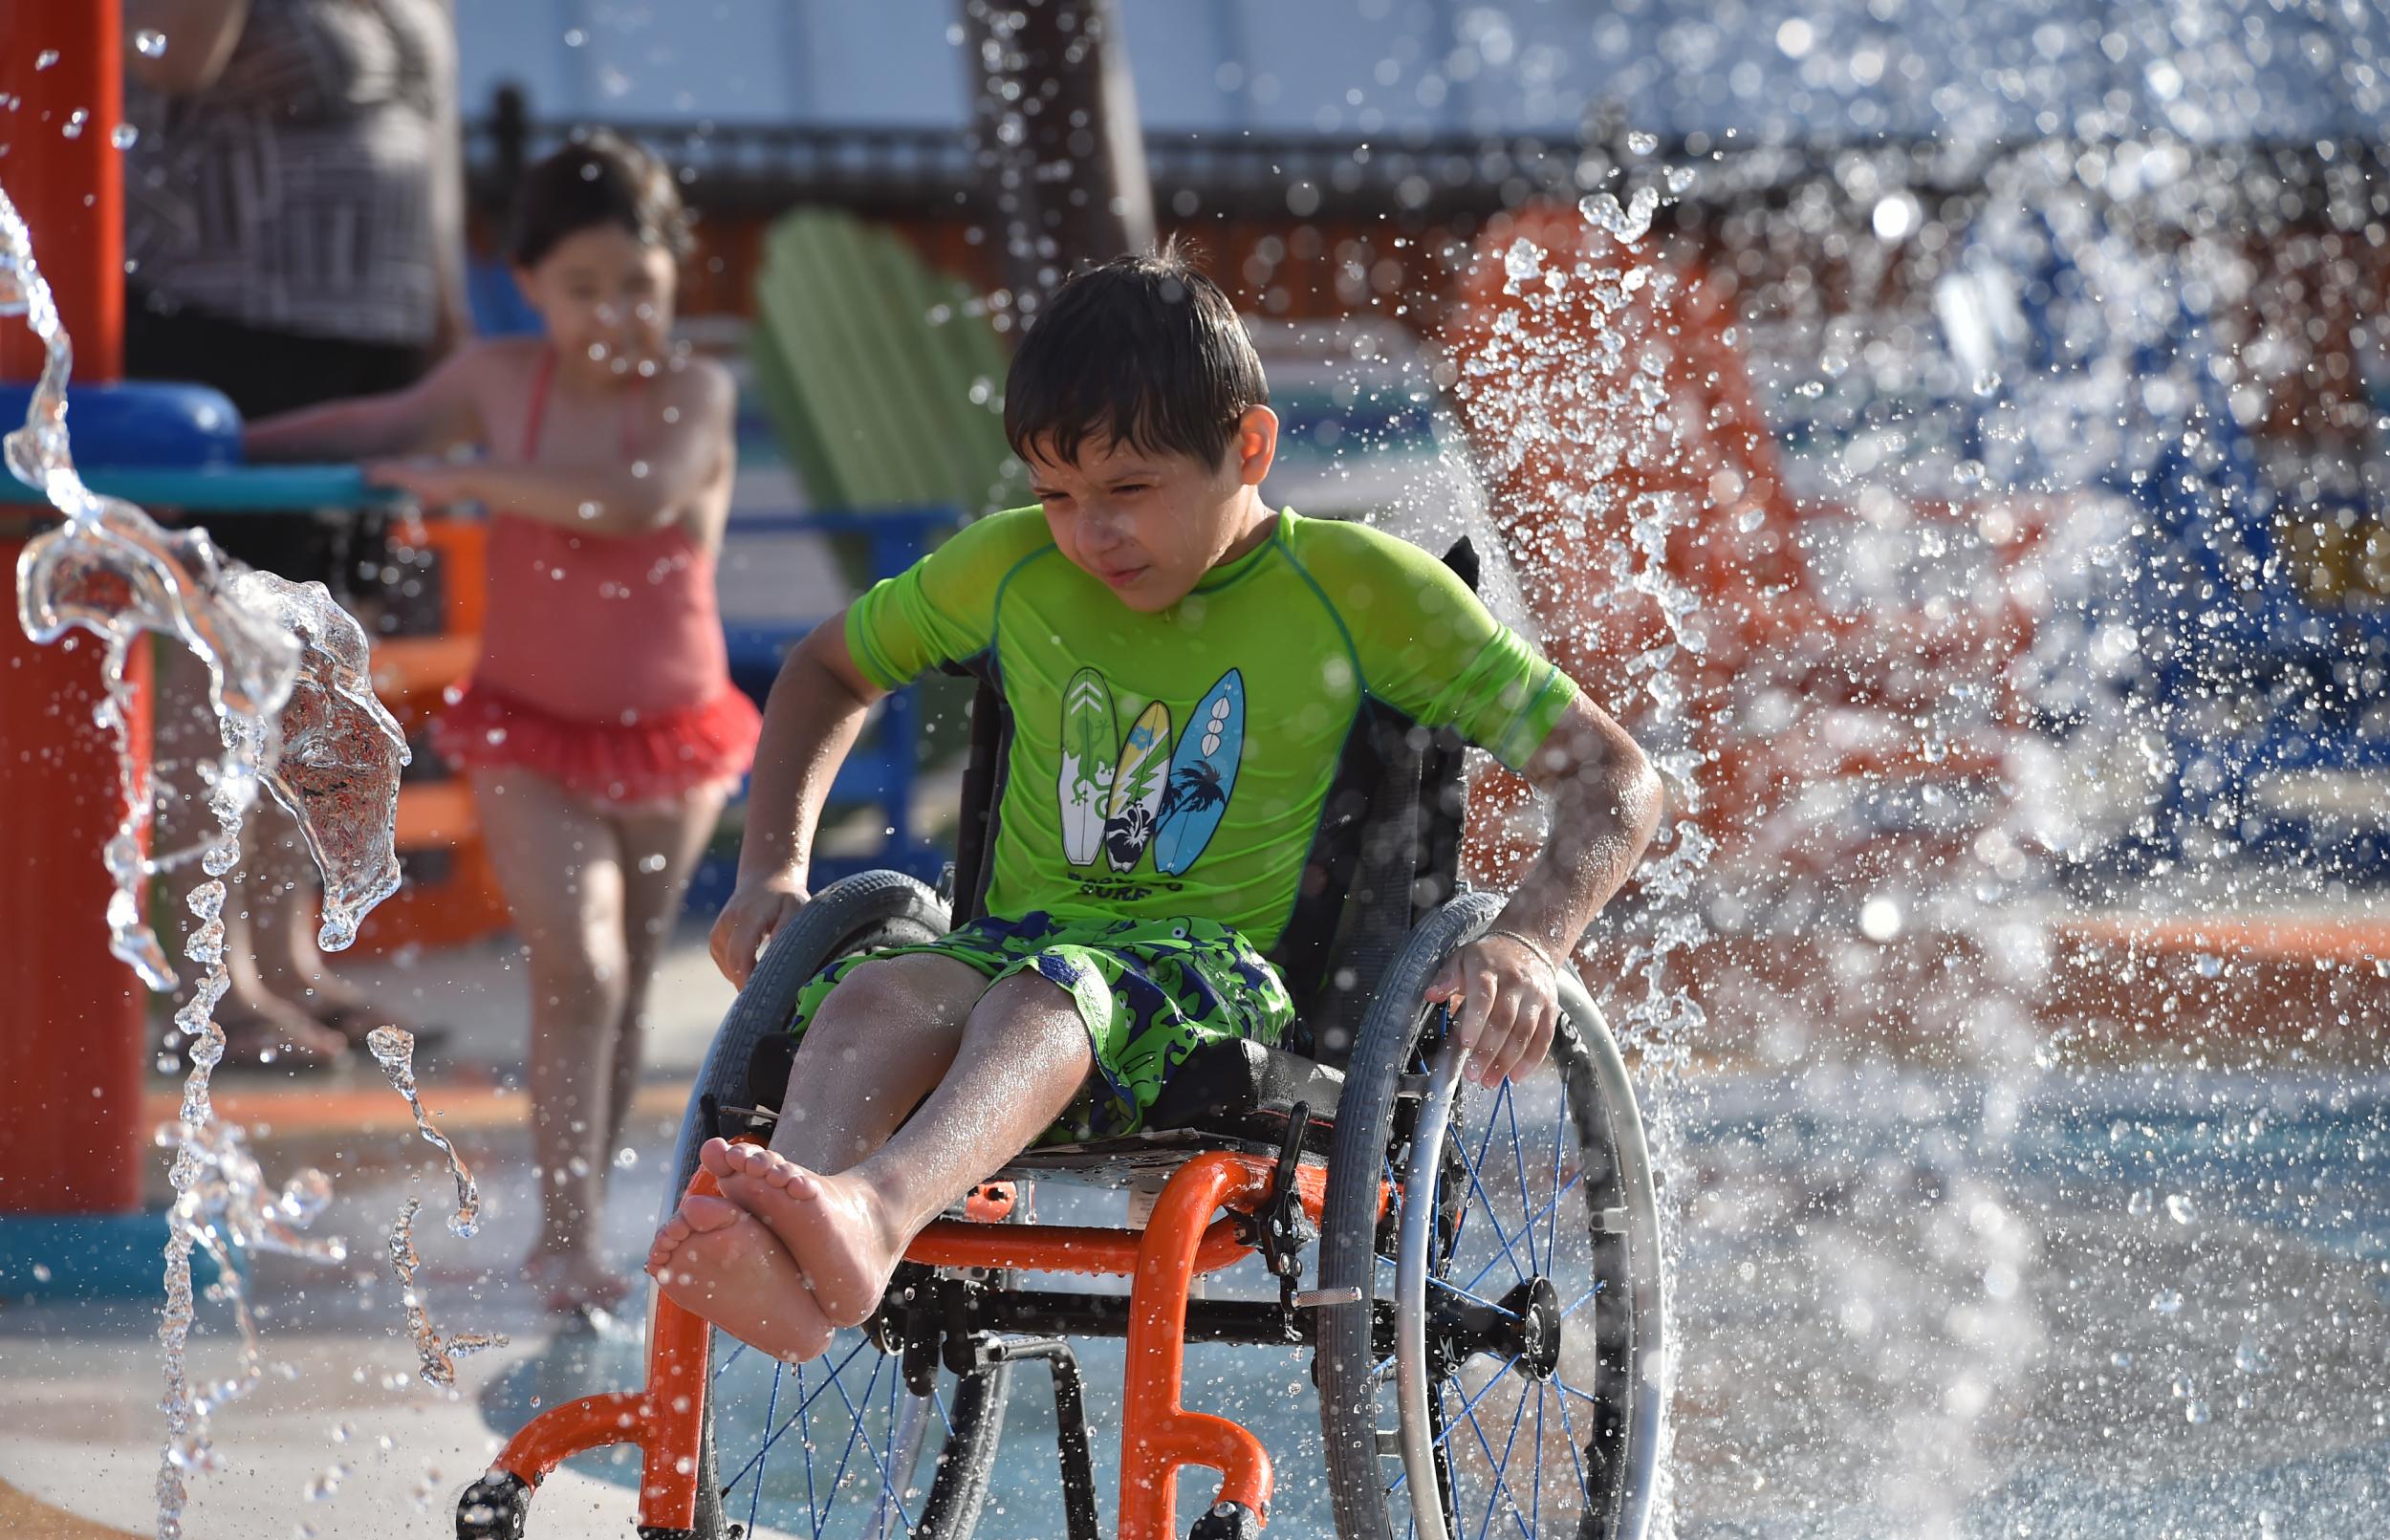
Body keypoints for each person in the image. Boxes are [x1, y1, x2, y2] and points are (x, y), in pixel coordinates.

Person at [644, 247, 1663, 1363]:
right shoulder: (1010, 569)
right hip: (1020, 951)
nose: (1091, 534)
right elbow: (825, 670)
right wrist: (772, 869)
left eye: (1129, 490)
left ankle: (871, 1213)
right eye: (1056, 494)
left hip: (1219, 987)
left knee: (1048, 997)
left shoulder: (1363, 592)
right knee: (872, 999)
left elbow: (1617, 778)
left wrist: (1529, 938)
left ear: (1250, 447)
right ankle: (793, 1248)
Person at [247, 135, 757, 1312]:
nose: (614, 312)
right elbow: (378, 421)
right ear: (527, 285)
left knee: (623, 983)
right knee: (576, 965)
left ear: (674, 273)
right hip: (529, 734)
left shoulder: (695, 391)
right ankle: (567, 1235)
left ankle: (600, 1200)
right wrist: (224, 448)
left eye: (639, 283)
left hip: (668, 738)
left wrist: (481, 481)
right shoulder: (500, 375)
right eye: (582, 289)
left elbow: (638, 500)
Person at [124, 0, 470, 1065]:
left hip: (375, 338)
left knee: (318, 666)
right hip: (231, 328)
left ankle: (282, 958)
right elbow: (169, 61)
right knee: (224, 661)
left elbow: (436, 137)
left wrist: (445, 326)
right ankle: (205, 973)